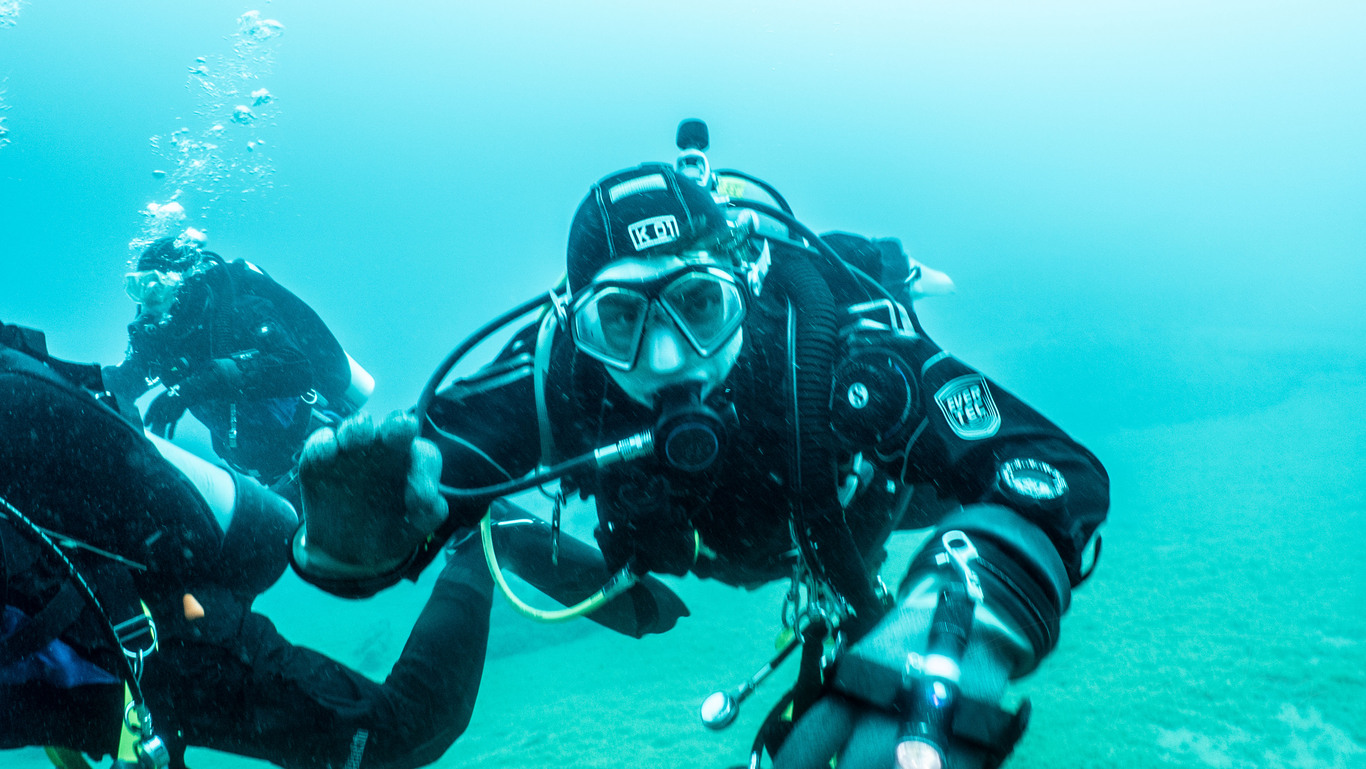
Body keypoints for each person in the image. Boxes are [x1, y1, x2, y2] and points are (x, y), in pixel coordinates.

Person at [295, 127, 1109, 769]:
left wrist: (964, 608)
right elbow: (425, 483)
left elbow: (1054, 471)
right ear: (578, 323)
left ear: (745, 283)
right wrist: (351, 545)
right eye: (621, 318)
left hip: (865, 501)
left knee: (946, 480)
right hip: (732, 543)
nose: (665, 356)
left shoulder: (835, 350)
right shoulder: (561, 375)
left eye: (697, 303)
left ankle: (888, 268)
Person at [0, 321, 685, 769]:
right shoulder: (156, 337)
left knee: (400, 732)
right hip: (171, 557)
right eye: (143, 288)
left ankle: (482, 537)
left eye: (159, 285)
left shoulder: (224, 304)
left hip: (154, 620)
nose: (151, 299)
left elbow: (294, 363)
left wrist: (215, 377)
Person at [103, 232, 374, 492]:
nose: (146, 305)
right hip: (272, 476)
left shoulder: (242, 310)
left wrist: (192, 388)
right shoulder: (161, 340)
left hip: (327, 442)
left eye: (154, 287)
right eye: (136, 289)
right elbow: (123, 383)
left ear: (184, 283)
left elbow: (297, 368)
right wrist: (81, 378)